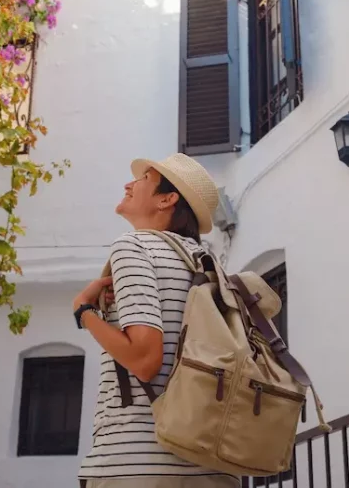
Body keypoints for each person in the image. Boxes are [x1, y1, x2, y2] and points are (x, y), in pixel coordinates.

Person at [72, 154, 240, 488]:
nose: (129, 184)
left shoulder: (133, 247)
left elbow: (146, 360)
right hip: (213, 466)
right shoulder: (208, 265)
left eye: (144, 179)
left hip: (137, 462)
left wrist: (83, 312)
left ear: (167, 199)